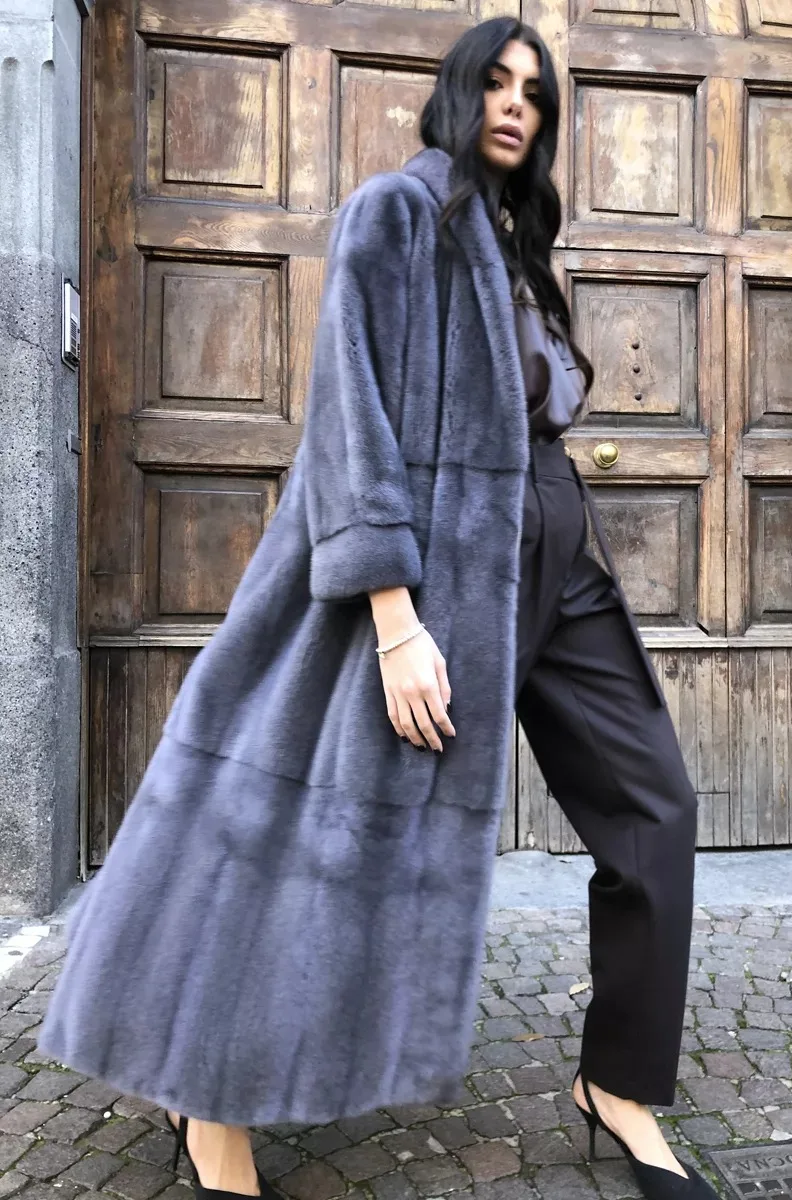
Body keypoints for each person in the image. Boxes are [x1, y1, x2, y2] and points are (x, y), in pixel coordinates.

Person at [40, 17, 718, 1200]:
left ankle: (614, 1085)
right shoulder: (395, 213)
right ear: (456, 93)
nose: (514, 104)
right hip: (430, 570)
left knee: (654, 804)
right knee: (303, 839)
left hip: (557, 551)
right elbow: (349, 416)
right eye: (495, 82)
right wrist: (395, 620)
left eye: (534, 92)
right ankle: (210, 1102)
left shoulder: (516, 241)